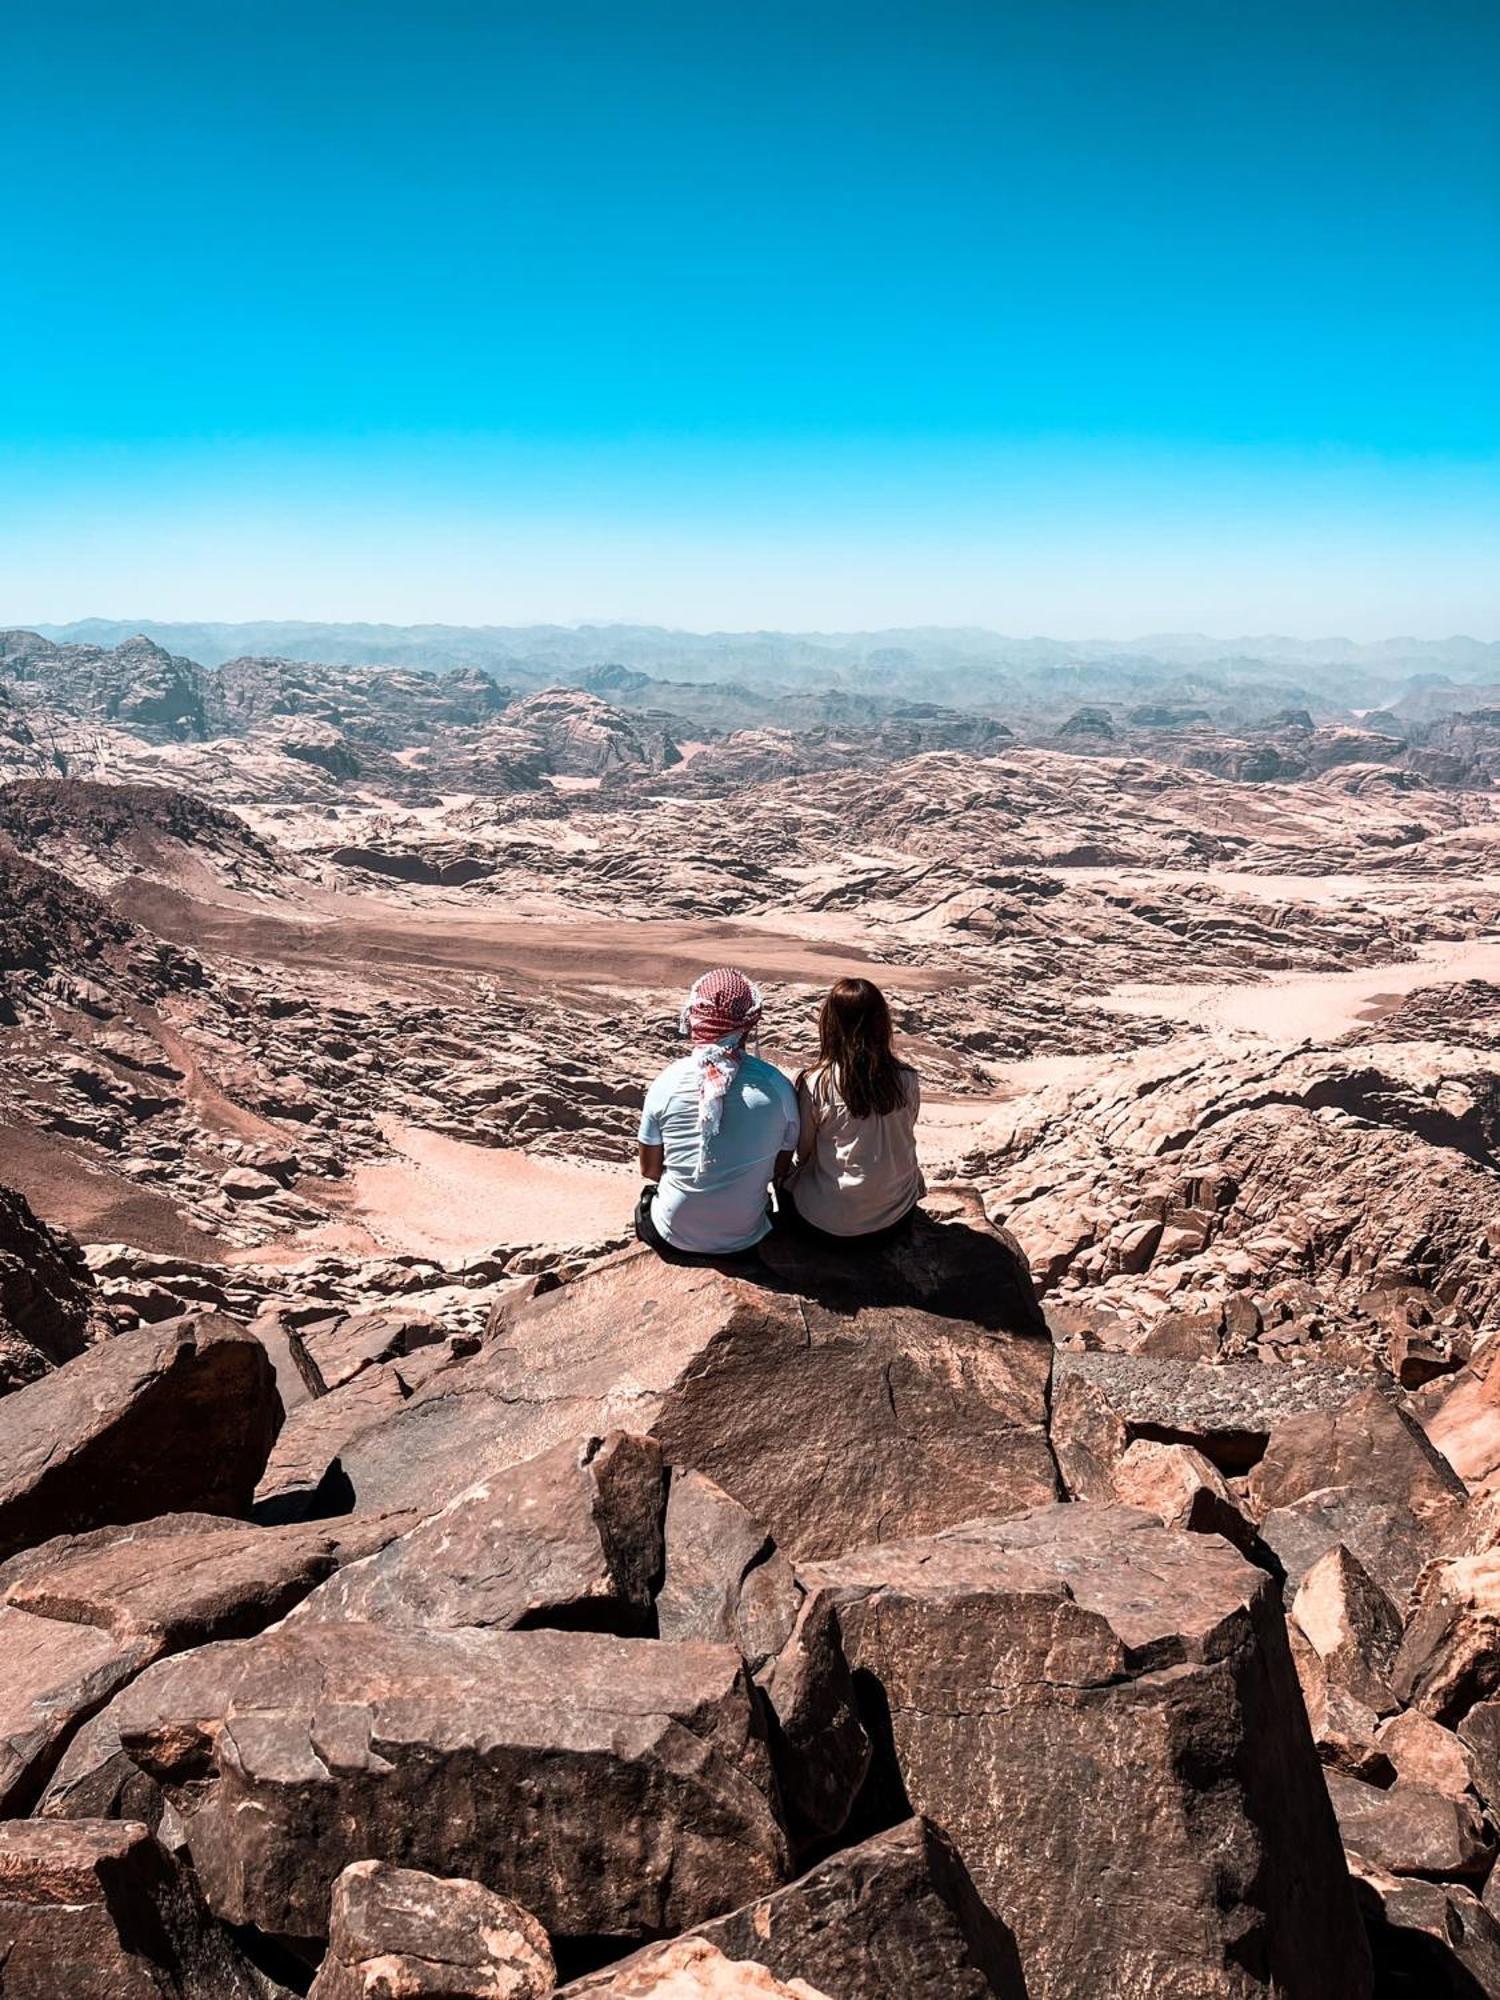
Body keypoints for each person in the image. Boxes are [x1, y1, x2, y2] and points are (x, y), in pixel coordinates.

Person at [636, 966, 800, 1260]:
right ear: (749, 1025)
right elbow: (780, 1168)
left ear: (694, 1018)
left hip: (673, 1233)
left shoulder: (667, 1083)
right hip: (746, 1237)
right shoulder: (777, 1087)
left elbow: (649, 1170)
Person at [785, 977, 923, 1243]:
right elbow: (907, 1130)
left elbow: (805, 1153)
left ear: (831, 1024)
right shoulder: (907, 1079)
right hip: (895, 1220)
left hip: (825, 1224)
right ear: (882, 1024)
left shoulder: (816, 1083)